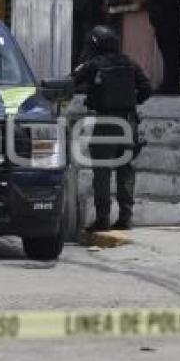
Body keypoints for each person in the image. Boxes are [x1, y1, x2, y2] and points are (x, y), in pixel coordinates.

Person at [73, 25, 152, 231]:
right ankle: (126, 217)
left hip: (106, 123)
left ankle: (103, 219)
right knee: (125, 170)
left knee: (102, 172)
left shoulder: (93, 64)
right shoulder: (130, 63)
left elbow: (72, 82)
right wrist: (131, 101)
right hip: (128, 122)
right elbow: (147, 89)